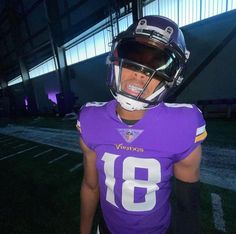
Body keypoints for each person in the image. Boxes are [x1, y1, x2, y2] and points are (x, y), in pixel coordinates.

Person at [77, 15, 207, 234]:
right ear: (116, 57)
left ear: (173, 76)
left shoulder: (184, 124)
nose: (140, 73)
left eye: (158, 62)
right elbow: (91, 186)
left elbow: (188, 204)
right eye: (134, 54)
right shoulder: (90, 118)